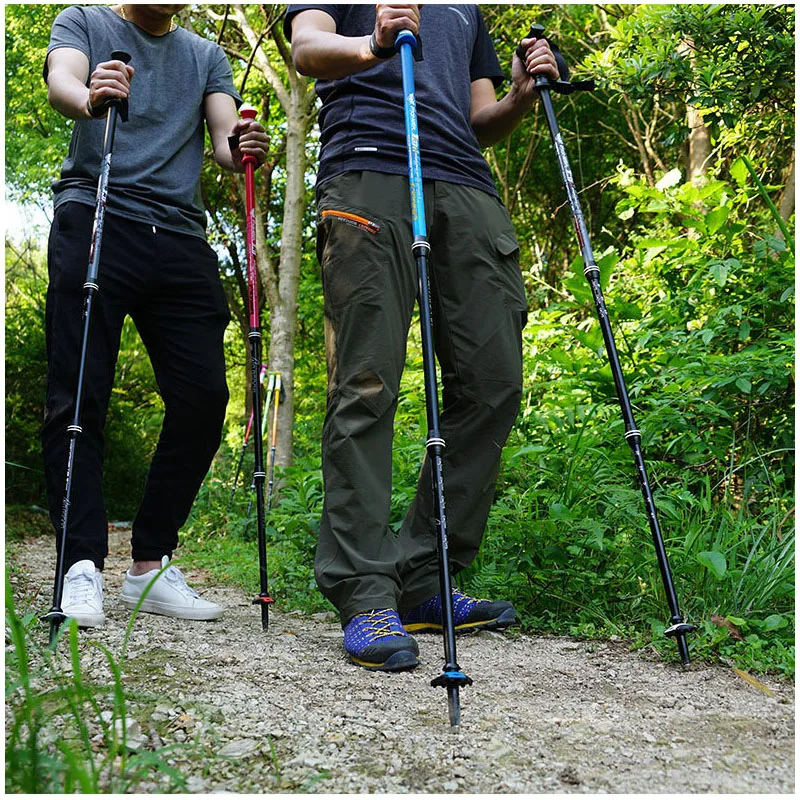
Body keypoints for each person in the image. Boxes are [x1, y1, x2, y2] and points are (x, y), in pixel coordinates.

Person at [285, 4, 559, 671]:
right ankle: (363, 590)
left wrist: (522, 96)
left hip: (465, 182)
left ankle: (426, 577)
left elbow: (480, 118)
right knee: (368, 381)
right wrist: (373, 44)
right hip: (368, 167)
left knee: (494, 381)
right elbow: (307, 48)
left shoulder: (465, 8)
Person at [42, 4, 268, 627]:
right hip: (96, 211)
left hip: (177, 235)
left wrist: (243, 146)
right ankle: (79, 565)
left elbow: (225, 141)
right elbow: (65, 79)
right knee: (78, 394)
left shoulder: (204, 55)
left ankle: (149, 565)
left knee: (203, 398)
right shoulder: (84, 20)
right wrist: (90, 94)